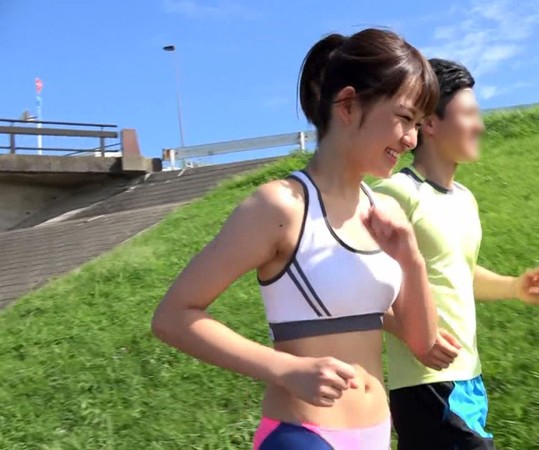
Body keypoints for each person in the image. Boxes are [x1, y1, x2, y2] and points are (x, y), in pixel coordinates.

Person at [151, 28, 442, 450]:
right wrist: (286, 370)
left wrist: (410, 258)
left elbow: (422, 342)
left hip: (375, 434)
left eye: (416, 125)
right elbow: (173, 316)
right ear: (347, 104)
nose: (411, 139)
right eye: (403, 118)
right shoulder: (281, 207)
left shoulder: (386, 214)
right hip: (303, 436)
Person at [375, 58, 539, 450]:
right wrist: (414, 333)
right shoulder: (397, 194)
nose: (480, 125)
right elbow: (356, 284)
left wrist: (515, 287)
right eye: (469, 114)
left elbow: (457, 271)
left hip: (468, 378)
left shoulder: (464, 199)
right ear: (430, 123)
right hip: (426, 384)